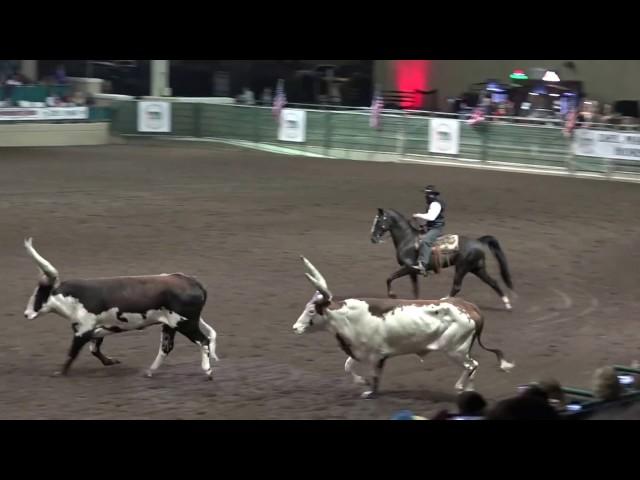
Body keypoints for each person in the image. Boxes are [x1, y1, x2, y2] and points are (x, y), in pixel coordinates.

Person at [411, 185, 445, 276]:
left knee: (425, 241)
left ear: (431, 195)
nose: (425, 196)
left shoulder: (435, 204)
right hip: (431, 227)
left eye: (426, 194)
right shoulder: (431, 204)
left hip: (436, 229)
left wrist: (418, 215)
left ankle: (423, 264)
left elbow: (431, 217)